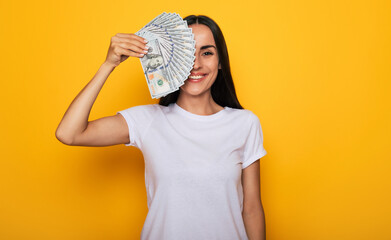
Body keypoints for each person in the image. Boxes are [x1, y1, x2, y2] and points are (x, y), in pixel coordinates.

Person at [56, 15, 267, 240]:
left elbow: (252, 209)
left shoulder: (245, 123)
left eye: (207, 53)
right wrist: (109, 64)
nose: (195, 64)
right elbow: (69, 133)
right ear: (170, 59)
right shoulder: (147, 120)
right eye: (186, 53)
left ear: (220, 61)